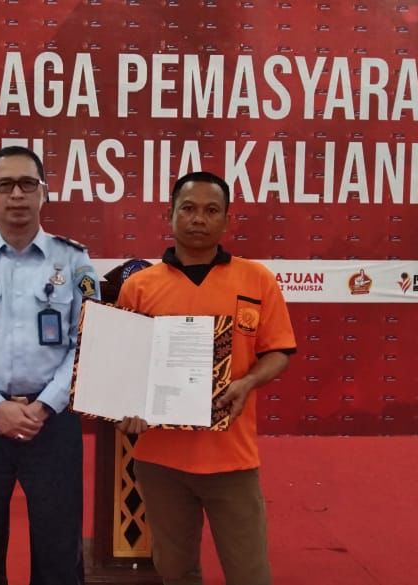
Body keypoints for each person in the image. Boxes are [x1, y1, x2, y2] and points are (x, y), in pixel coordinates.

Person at [116, 171, 296, 585]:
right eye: (189, 208)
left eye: (212, 210)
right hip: (160, 459)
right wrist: (124, 405)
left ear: (227, 220)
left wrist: (247, 383)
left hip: (232, 457)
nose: (199, 218)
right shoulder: (139, 287)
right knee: (175, 571)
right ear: (170, 215)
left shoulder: (257, 279)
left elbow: (279, 352)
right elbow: (122, 366)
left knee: (250, 574)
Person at [0, 145, 99, 585]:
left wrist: (43, 406)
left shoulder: (73, 260)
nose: (16, 195)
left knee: (58, 544)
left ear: (44, 192)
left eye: (28, 184)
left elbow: (87, 344)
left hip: (53, 420)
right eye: (5, 185)